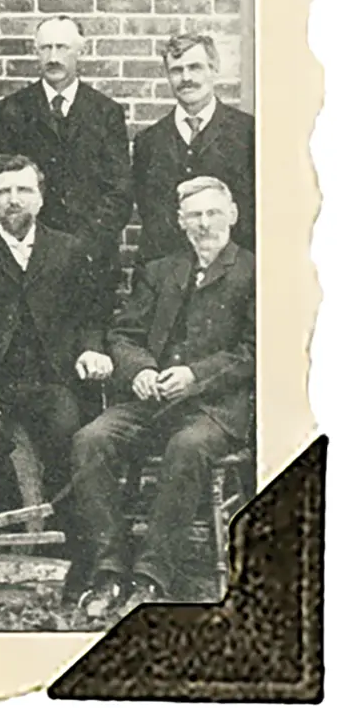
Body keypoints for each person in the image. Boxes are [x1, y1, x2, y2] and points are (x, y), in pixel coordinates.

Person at [74, 178, 254, 619]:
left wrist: (195, 375)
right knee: (90, 439)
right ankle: (109, 569)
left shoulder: (254, 272)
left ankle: (153, 576)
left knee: (187, 447)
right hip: (153, 402)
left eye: (213, 212)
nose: (204, 223)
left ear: (232, 213)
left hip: (213, 408)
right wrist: (141, 370)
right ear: (180, 222)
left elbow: (254, 350)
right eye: (194, 215)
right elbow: (123, 334)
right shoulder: (159, 270)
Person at [0, 155, 110, 518]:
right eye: (3, 191)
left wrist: (90, 350)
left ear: (41, 198)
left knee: (66, 427)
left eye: (24, 190)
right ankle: (6, 533)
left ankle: (64, 536)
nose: (13, 199)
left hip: (51, 380)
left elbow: (90, 316)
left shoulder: (70, 251)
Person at [0, 18, 132, 323]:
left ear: (81, 50)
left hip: (91, 254)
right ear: (35, 52)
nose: (53, 57)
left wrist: (83, 245)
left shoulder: (105, 112)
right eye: (46, 48)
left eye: (62, 48)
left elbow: (119, 190)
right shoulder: (11, 111)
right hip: (29, 253)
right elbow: (2, 185)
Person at [131, 34, 255, 262]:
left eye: (195, 68)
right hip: (167, 280)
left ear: (214, 68)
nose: (186, 78)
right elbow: (150, 217)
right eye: (177, 70)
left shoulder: (249, 132)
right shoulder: (148, 141)